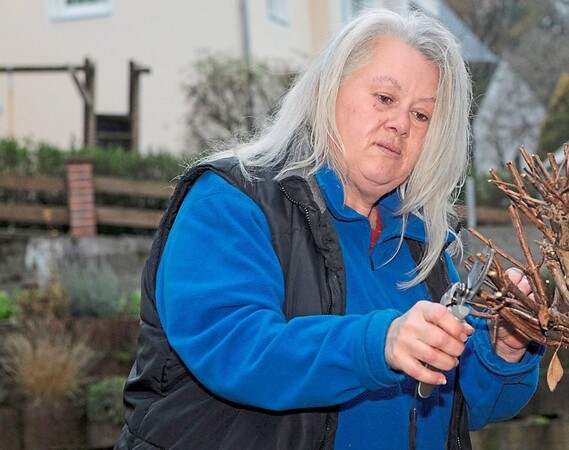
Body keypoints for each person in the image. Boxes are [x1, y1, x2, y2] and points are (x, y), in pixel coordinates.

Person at [116, 8, 544, 450]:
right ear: (329, 91)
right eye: (384, 98)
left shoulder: (421, 244)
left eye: (422, 116)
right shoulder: (229, 200)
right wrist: (380, 343)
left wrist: (504, 349)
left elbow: (463, 404)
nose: (400, 123)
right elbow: (237, 350)